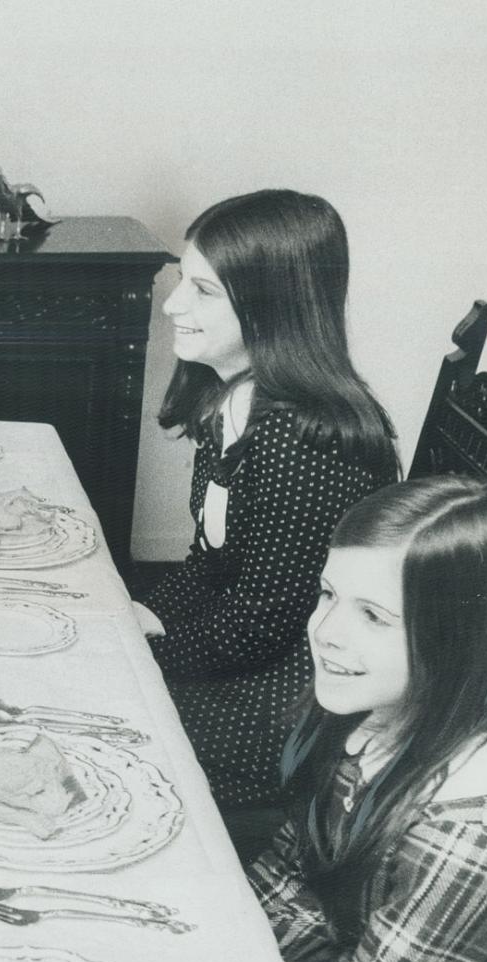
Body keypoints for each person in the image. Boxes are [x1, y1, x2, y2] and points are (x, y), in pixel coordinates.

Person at [248, 477, 487, 962]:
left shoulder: (477, 824)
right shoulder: (374, 707)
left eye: (373, 616)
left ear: (461, 641)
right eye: (327, 594)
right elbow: (294, 872)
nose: (325, 630)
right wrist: (219, 940)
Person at [137, 189, 397, 812]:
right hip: (251, 654)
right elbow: (212, 562)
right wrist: (143, 617)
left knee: (112, 724)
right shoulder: (233, 398)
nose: (173, 304)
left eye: (203, 291)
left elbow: (263, 620)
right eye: (182, 279)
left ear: (270, 309)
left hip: (299, 697)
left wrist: (146, 655)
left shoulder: (303, 438)